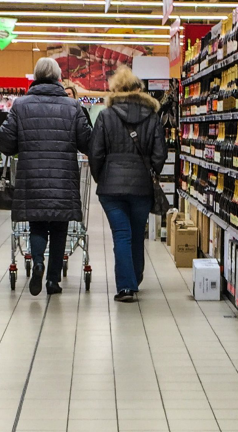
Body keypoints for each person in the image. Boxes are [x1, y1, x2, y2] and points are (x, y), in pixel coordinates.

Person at [0, 57, 91, 296]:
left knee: (37, 223)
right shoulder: (72, 106)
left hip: (32, 177)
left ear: (36, 77)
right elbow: (86, 142)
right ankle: (52, 281)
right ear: (59, 78)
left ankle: (38, 261)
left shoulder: (20, 105)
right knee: (60, 229)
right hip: (63, 178)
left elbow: (4, 142)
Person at [88, 67, 167, 302]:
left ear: (115, 90)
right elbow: (159, 154)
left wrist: (101, 177)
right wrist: (151, 172)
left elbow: (95, 153)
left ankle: (126, 287)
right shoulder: (152, 117)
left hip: (111, 188)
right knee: (135, 234)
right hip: (141, 186)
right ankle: (135, 278)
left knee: (121, 234)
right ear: (138, 90)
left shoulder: (105, 116)